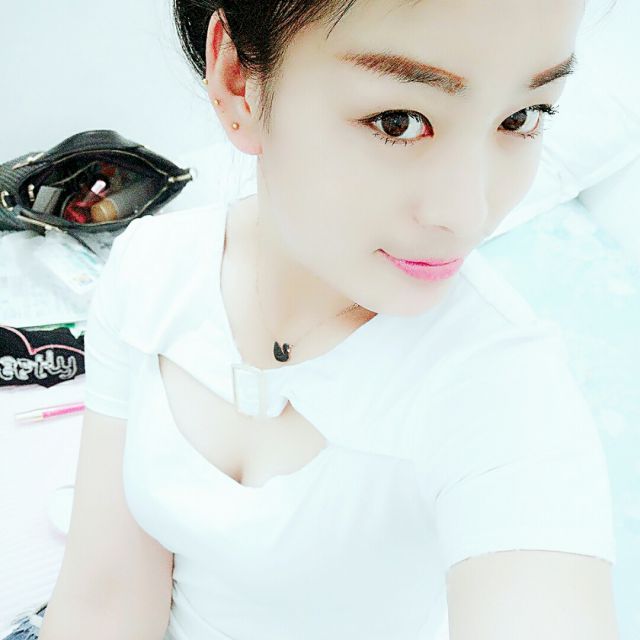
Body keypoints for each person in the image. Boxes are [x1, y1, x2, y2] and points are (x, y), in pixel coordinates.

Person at [21, 1, 617, 639]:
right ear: (240, 82)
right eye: (399, 122)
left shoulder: (504, 388)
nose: (467, 212)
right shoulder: (152, 272)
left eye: (523, 117)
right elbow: (105, 596)